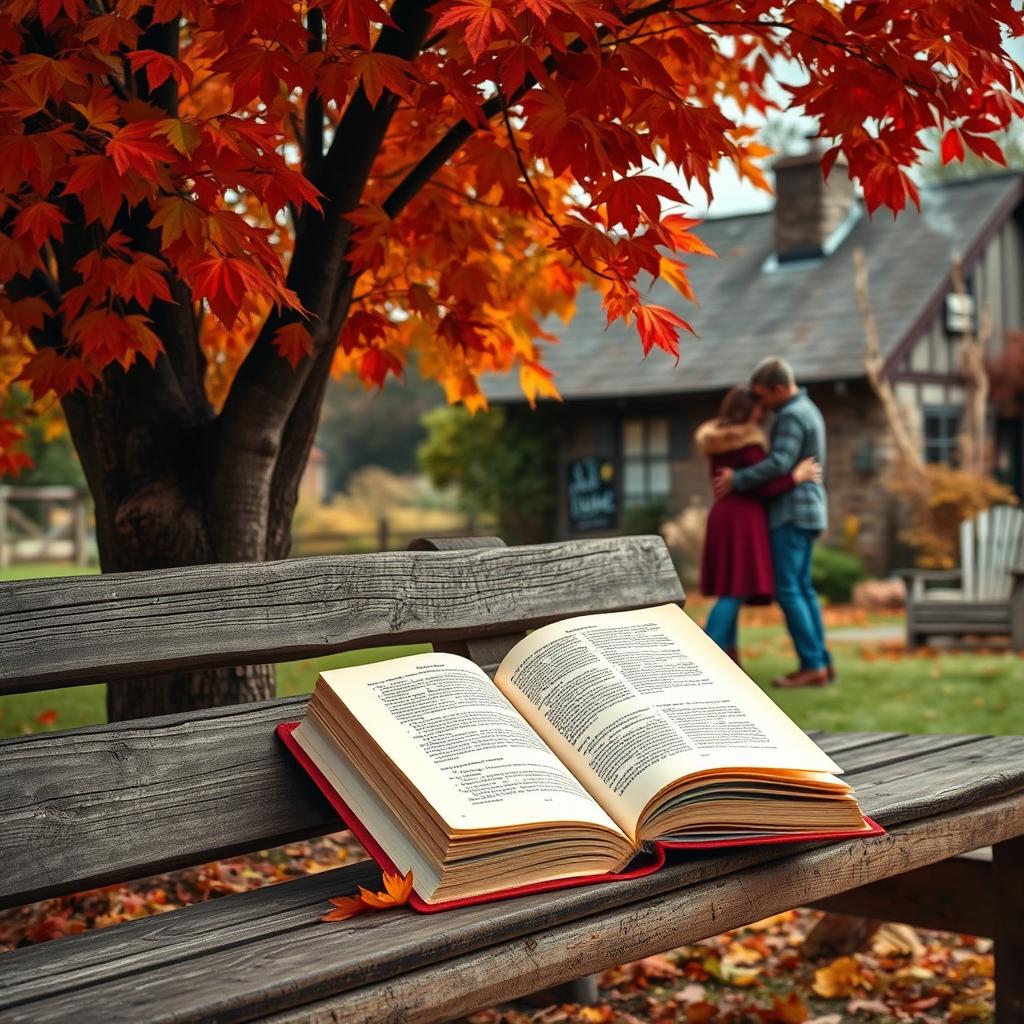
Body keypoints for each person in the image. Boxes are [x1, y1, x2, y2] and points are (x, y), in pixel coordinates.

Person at [712, 357, 833, 688]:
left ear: (779, 389)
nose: (761, 405)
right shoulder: (809, 409)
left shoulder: (792, 416)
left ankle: (812, 665)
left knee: (789, 590)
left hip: (791, 511)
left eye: (764, 396)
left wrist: (738, 479)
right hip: (809, 509)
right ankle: (822, 662)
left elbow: (779, 462)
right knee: (803, 589)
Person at [697, 385, 822, 666]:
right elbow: (763, 486)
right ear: (747, 409)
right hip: (743, 521)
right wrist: (796, 477)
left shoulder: (717, 442)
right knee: (736, 590)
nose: (764, 413)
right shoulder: (748, 444)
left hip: (723, 515)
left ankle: (728, 659)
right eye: (760, 407)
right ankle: (706, 656)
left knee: (731, 588)